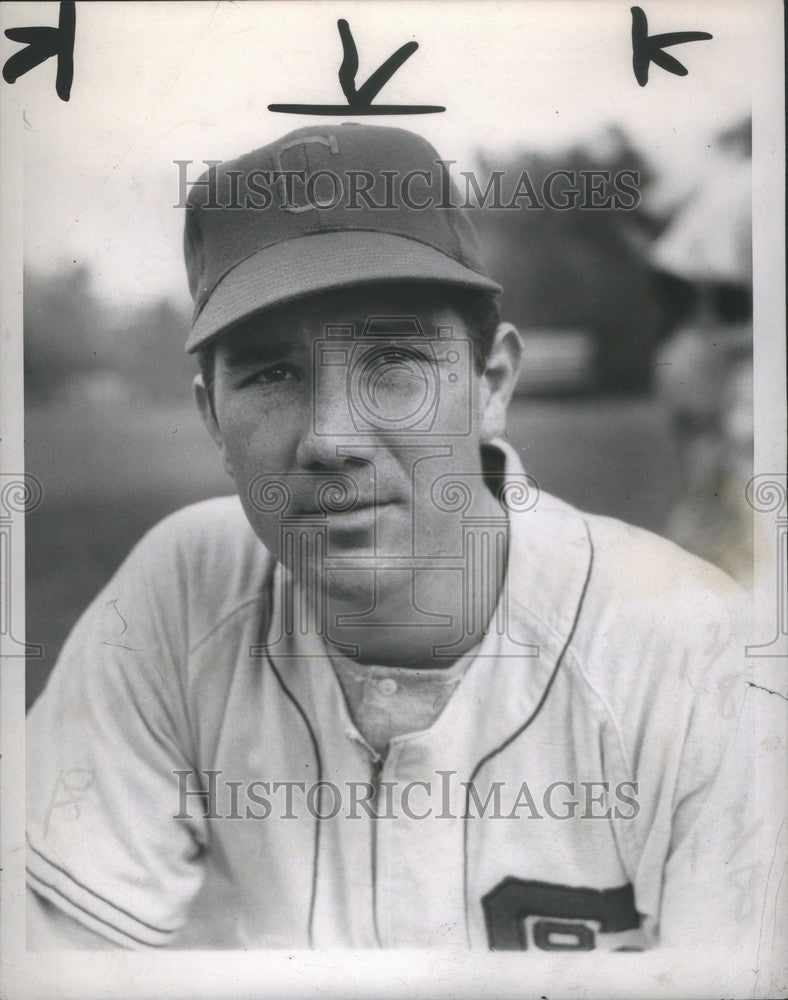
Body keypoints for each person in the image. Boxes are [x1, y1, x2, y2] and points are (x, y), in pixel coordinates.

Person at [27, 124, 757, 952]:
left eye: (392, 362)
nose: (332, 437)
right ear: (212, 420)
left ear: (491, 385)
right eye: (272, 373)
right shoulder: (180, 594)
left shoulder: (691, 649)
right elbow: (54, 962)